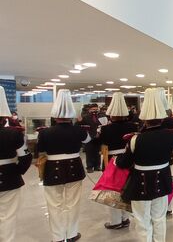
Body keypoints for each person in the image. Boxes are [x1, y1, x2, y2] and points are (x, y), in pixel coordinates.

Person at [116, 88, 173, 242]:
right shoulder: (171, 135)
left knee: (142, 220)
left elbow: (124, 163)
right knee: (159, 218)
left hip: (140, 184)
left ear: (144, 120)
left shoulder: (135, 139)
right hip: (163, 180)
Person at [37, 89, 91, 242]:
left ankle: (58, 237)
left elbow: (40, 151)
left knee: (54, 204)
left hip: (52, 168)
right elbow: (88, 141)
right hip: (74, 166)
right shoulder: (79, 130)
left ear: (55, 116)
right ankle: (72, 233)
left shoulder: (45, 132)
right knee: (73, 203)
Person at [98, 92, 138, 230]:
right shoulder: (133, 126)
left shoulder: (105, 129)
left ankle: (115, 221)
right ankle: (125, 218)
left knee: (113, 190)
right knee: (126, 189)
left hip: (112, 160)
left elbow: (100, 144)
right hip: (130, 159)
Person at [0, 86, 32, 241]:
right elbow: (25, 157)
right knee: (8, 215)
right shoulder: (13, 133)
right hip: (8, 177)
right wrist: (17, 171)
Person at [77, 103, 103, 173]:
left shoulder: (100, 116)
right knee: (89, 153)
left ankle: (97, 166)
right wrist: (79, 121)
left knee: (98, 153)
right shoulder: (85, 117)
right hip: (89, 137)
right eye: (93, 109)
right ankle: (89, 167)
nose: (95, 110)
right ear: (89, 110)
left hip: (98, 137)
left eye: (96, 109)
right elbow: (80, 125)